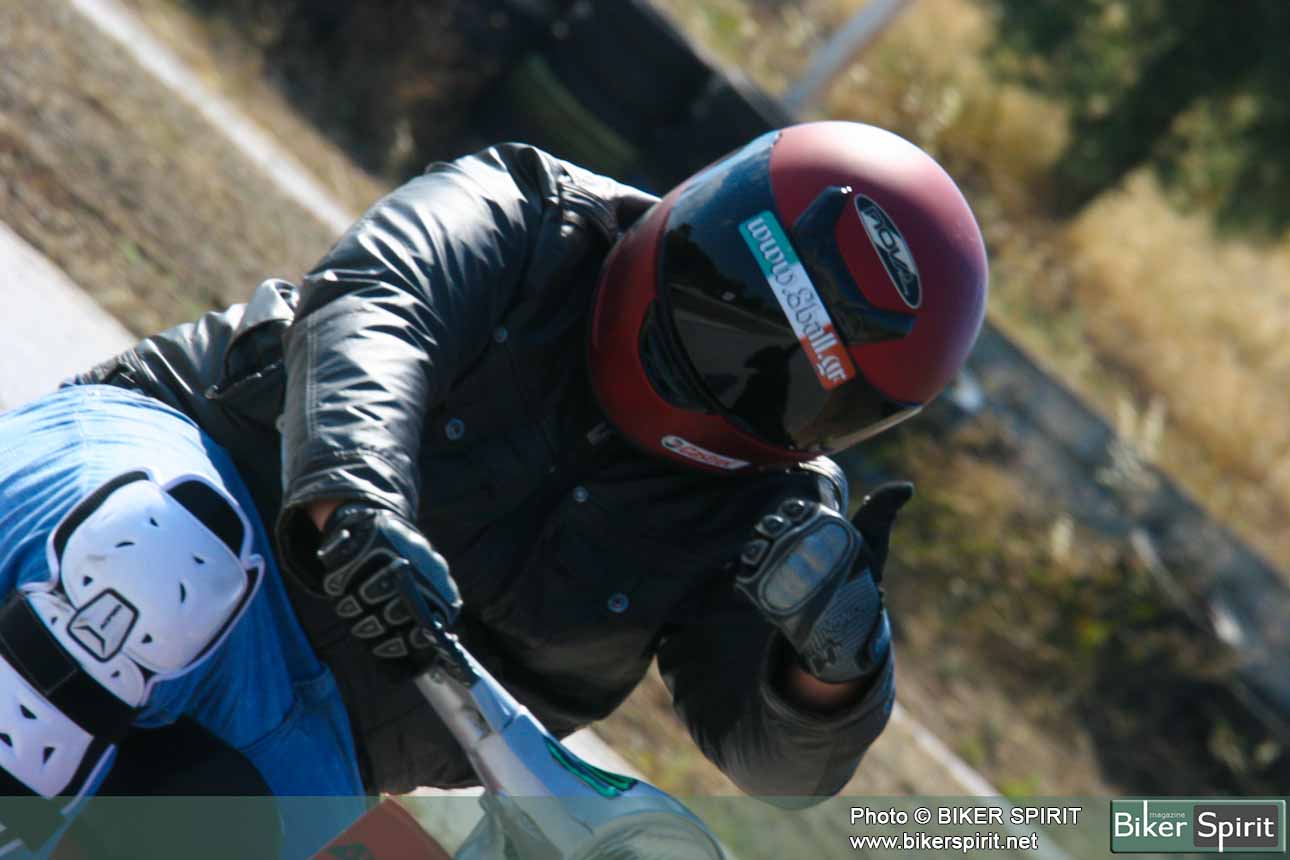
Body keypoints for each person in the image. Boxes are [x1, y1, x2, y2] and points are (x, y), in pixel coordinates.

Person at [1, 120, 987, 855]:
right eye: (724, 284)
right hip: (171, 474)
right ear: (701, 201)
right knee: (158, 564)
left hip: (322, 732)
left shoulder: (775, 520)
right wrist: (356, 499)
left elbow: (772, 765)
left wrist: (833, 669)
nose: (723, 351)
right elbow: (376, 300)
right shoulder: (529, 208)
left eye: (777, 374)